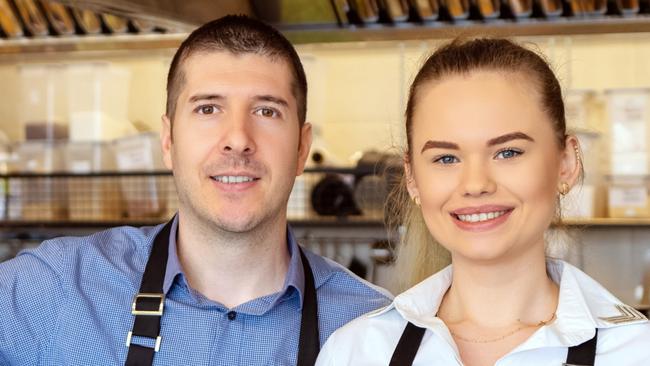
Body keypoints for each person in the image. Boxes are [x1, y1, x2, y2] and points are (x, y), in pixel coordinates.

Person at [0, 15, 391, 365]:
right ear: (168, 139)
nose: (238, 139)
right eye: (208, 108)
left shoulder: (377, 331)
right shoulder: (57, 287)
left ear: (302, 147)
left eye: (267, 111)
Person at [316, 38, 650, 366]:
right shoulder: (358, 352)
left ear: (566, 164)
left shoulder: (634, 351)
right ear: (412, 178)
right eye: (446, 158)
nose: (475, 184)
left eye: (508, 152)